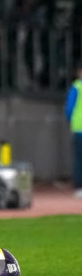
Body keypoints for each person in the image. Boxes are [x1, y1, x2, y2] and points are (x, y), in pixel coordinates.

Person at [64, 63, 82, 199]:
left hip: (79, 127)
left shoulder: (76, 87)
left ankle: (79, 187)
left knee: (79, 159)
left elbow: (69, 108)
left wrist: (71, 119)